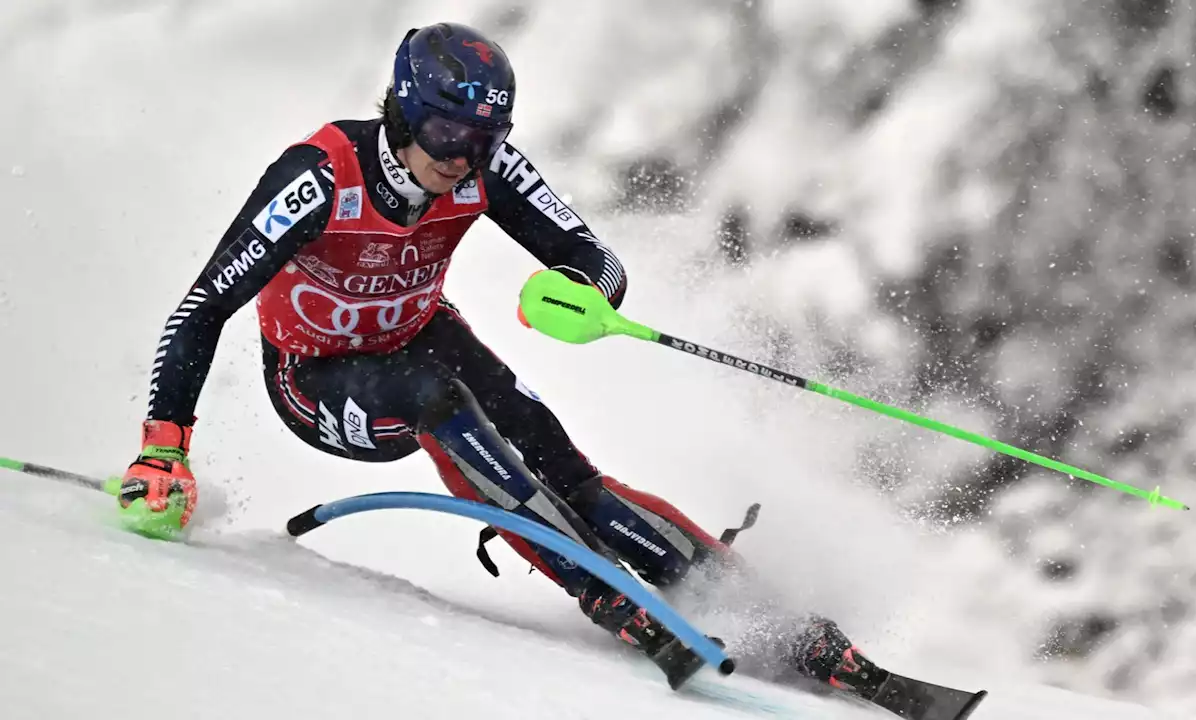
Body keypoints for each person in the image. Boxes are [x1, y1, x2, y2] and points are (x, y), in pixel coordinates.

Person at [118, 22, 887, 697]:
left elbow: (594, 257)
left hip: (420, 335)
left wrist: (579, 288)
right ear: (406, 115)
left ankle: (771, 616)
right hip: (312, 381)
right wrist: (164, 450)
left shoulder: (486, 168)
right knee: (435, 396)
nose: (465, 159)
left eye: (485, 141)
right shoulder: (320, 177)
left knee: (563, 464)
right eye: (450, 136)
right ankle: (603, 590)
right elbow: (201, 309)